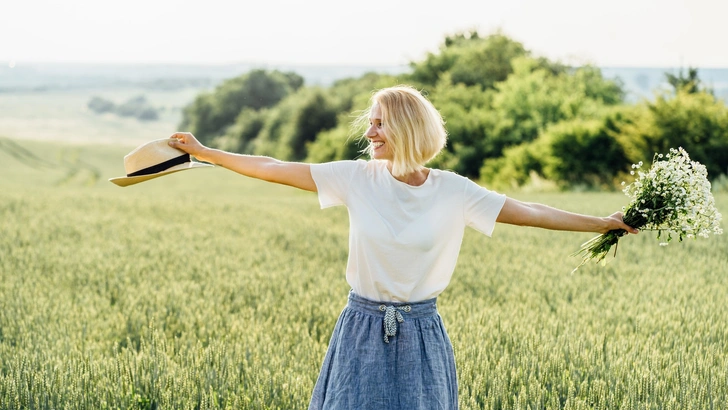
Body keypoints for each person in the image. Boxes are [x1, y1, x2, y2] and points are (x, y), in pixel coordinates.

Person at [167, 84, 638, 409]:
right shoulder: (355, 178)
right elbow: (272, 165)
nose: (369, 133)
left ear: (409, 129)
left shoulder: (454, 190)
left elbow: (532, 212)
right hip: (361, 326)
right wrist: (207, 153)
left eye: (380, 124)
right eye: (370, 123)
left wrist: (602, 223)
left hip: (421, 333)